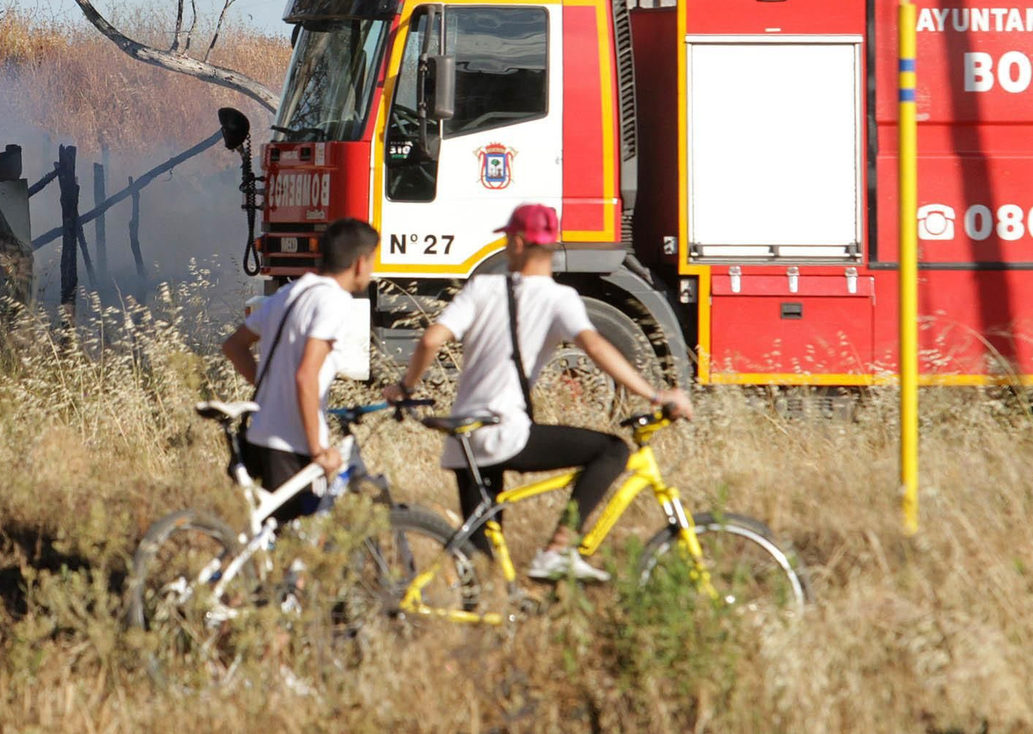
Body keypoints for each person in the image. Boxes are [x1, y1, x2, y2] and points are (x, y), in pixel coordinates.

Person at [383, 203, 691, 582]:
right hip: (506, 432)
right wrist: (654, 394)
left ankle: (483, 614)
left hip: (465, 440)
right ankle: (558, 550)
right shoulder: (558, 299)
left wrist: (405, 387)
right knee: (613, 451)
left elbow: (432, 338)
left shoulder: (482, 288)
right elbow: (594, 347)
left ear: (516, 241)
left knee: (482, 563)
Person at [221, 218, 379, 521]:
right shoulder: (335, 302)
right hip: (293, 441)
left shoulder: (291, 293)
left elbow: (233, 345)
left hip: (260, 434)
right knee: (303, 540)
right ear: (361, 263)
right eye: (373, 260)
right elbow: (306, 375)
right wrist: (319, 450)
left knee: (277, 534)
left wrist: (267, 388)